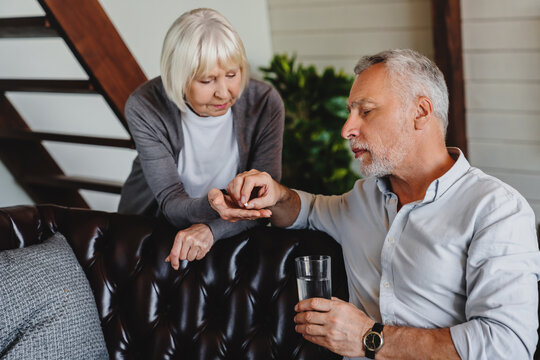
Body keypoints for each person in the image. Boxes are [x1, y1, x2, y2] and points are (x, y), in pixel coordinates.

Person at [207, 49, 540, 359]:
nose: (347, 129)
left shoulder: (496, 210)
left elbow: (508, 345)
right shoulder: (362, 198)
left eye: (365, 111)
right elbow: (305, 210)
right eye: (350, 113)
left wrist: (370, 336)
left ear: (420, 112)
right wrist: (276, 194)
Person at [118, 8, 284, 270]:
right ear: (178, 77)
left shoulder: (264, 103)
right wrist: (214, 207)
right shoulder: (145, 106)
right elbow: (171, 200)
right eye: (207, 80)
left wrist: (211, 229)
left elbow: (265, 199)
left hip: (229, 235)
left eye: (232, 75)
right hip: (149, 230)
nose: (223, 93)